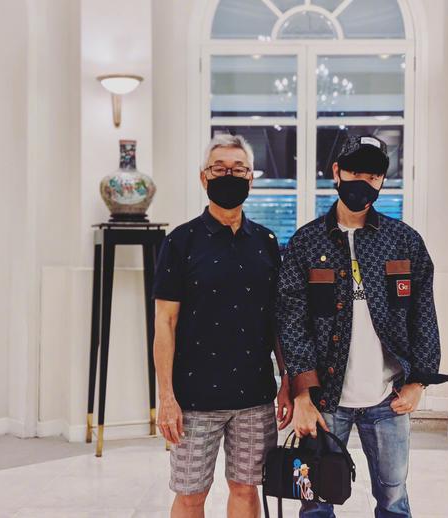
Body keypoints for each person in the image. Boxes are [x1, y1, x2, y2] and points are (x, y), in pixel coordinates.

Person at [277, 135, 448, 518]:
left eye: (372, 176)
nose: (363, 182)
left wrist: (418, 382)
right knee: (315, 501)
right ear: (337, 171)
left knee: (393, 499)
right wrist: (302, 394)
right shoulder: (306, 243)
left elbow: (423, 315)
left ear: (382, 180)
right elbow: (292, 322)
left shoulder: (404, 241)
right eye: (355, 171)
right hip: (324, 400)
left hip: (388, 398)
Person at [152, 134, 293, 518]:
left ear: (251, 179)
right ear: (204, 178)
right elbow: (165, 322)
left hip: (255, 396)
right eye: (219, 169)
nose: (229, 176)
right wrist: (166, 397)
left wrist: (287, 380)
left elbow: (277, 319)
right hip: (193, 398)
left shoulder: (265, 242)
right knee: (190, 493)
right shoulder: (180, 242)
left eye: (239, 169)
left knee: (246, 489)